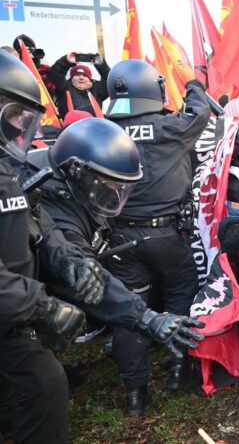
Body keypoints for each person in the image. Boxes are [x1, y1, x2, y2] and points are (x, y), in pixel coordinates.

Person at [28, 118, 205, 411]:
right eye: (107, 187)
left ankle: (137, 393)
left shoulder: (64, 189)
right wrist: (147, 317)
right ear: (77, 173)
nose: (113, 196)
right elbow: (72, 257)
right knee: (43, 386)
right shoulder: (51, 198)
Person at [103, 59, 213, 415]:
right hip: (167, 233)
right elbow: (199, 114)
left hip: (120, 239)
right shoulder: (170, 127)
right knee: (182, 292)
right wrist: (195, 84)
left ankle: (136, 395)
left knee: (129, 311)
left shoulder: (104, 130)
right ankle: (179, 369)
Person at [0, 49, 87, 443]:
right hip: (12, 311)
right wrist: (44, 306)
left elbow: (37, 226)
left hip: (12, 313)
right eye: (15, 115)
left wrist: (71, 262)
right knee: (44, 385)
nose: (21, 127)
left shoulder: (5, 170)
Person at [48, 53, 110, 119]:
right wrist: (66, 61)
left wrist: (101, 64)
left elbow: (110, 80)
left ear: (89, 79)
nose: (81, 77)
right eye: (77, 75)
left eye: (85, 75)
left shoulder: (97, 89)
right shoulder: (64, 87)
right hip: (70, 127)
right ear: (71, 78)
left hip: (95, 126)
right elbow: (56, 75)